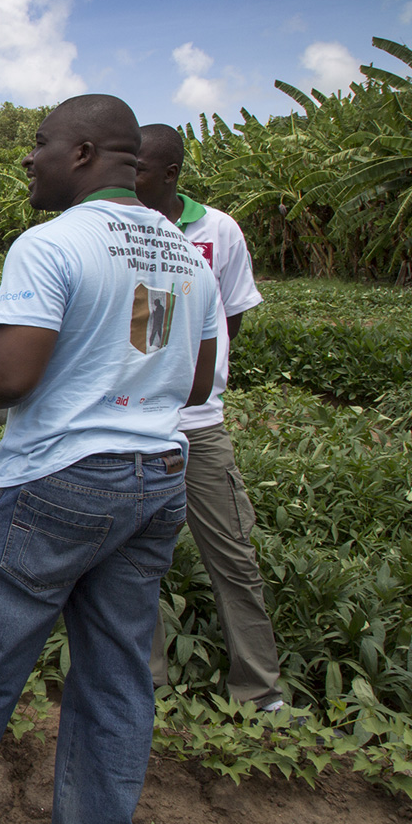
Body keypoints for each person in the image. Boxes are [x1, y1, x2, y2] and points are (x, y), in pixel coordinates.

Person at [0, 95, 219, 824]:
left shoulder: (53, 242)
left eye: (41, 144)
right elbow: (196, 384)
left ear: (84, 152)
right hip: (157, 479)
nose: (28, 157)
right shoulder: (180, 249)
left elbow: (8, 377)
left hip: (55, 483)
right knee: (116, 677)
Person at [136, 123, 284, 712]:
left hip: (200, 422)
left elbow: (231, 316)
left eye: (140, 169)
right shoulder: (122, 230)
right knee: (137, 559)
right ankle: (145, 684)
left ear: (171, 174)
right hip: (141, 422)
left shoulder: (217, 229)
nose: (129, 178)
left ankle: (259, 690)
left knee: (233, 557)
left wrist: (206, 374)